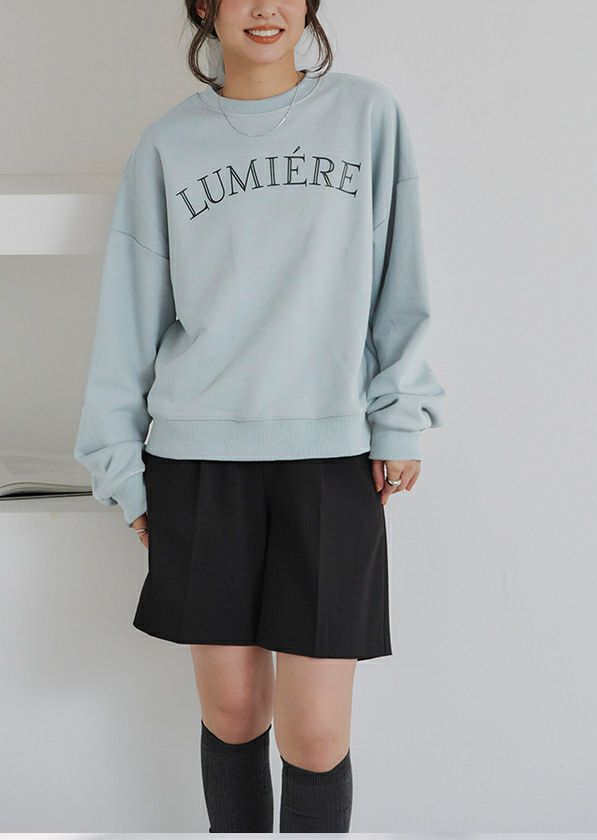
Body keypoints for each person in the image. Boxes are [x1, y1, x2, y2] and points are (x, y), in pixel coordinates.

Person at [74, 0, 446, 832]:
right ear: (206, 7)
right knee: (235, 713)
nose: (266, 7)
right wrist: (122, 472)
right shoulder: (168, 144)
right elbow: (129, 318)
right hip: (199, 461)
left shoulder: (366, 115)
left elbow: (403, 276)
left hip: (332, 456)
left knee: (315, 735)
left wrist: (401, 416)